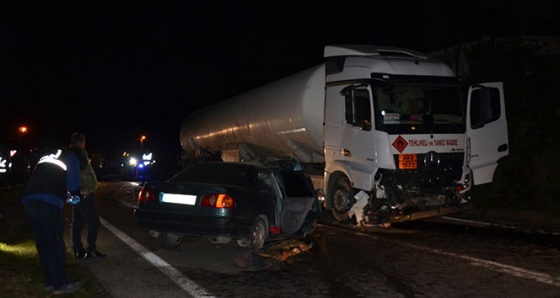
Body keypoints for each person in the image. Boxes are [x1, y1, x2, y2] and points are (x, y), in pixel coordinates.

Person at [22, 148, 82, 294]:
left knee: (43, 244)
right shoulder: (72, 157)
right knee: (55, 244)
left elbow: (42, 179)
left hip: (29, 201)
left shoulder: (47, 156)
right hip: (48, 204)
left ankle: (49, 281)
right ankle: (60, 284)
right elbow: (74, 185)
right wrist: (75, 195)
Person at [68, 132, 106, 259]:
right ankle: (91, 250)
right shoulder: (79, 153)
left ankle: (78, 250)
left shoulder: (70, 153)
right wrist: (84, 190)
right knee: (94, 221)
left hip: (76, 193)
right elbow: (82, 173)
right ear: (83, 142)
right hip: (83, 193)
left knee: (78, 221)